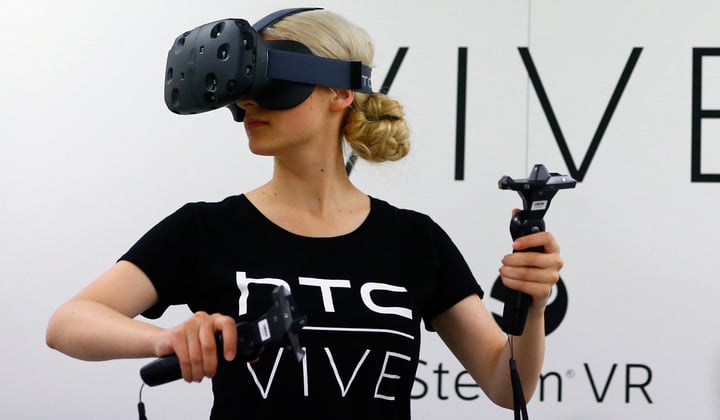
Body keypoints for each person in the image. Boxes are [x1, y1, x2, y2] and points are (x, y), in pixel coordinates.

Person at [46, 8, 564, 420]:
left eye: (269, 84)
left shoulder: (413, 240)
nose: (248, 104)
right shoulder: (206, 230)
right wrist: (165, 338)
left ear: (340, 91)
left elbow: (505, 383)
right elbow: (69, 323)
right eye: (240, 89)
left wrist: (533, 305)